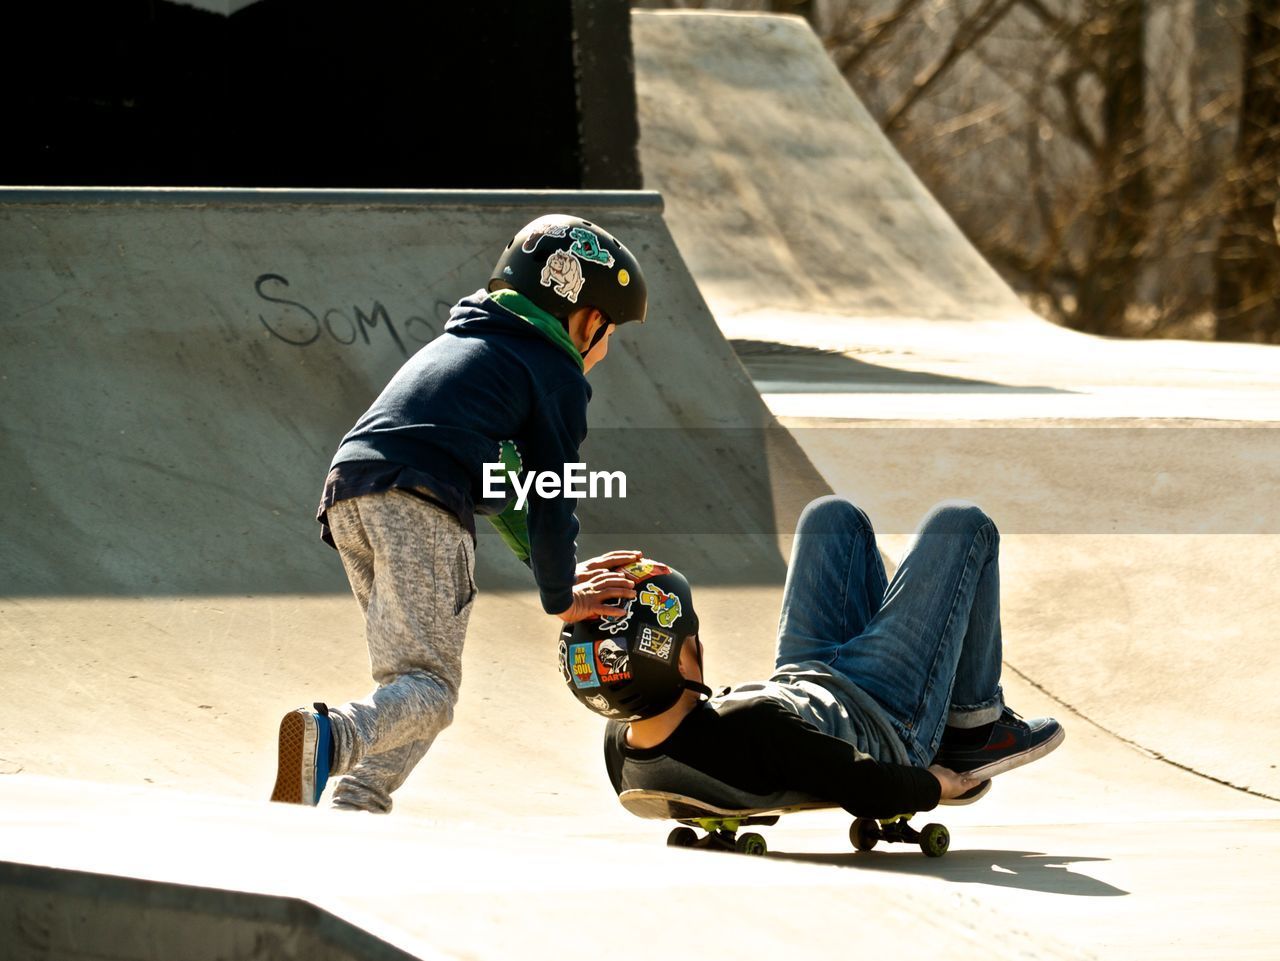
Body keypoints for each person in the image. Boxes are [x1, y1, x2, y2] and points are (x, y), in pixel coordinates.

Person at [271, 214, 647, 812]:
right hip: (421, 500)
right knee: (433, 688)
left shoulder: (475, 341)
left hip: (351, 489)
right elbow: (553, 494)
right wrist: (560, 597)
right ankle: (331, 736)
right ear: (589, 319)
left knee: (412, 684)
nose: (603, 352)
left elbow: (508, 487)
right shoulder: (554, 370)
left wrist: (554, 571)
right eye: (610, 335)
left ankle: (357, 803)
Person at [561, 497, 1065, 818]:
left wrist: (578, 602)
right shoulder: (753, 726)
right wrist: (934, 784)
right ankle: (974, 727)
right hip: (887, 712)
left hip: (807, 677)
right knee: (960, 524)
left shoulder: (624, 744)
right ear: (683, 661)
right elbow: (865, 786)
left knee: (829, 518)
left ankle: (966, 718)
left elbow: (616, 662)